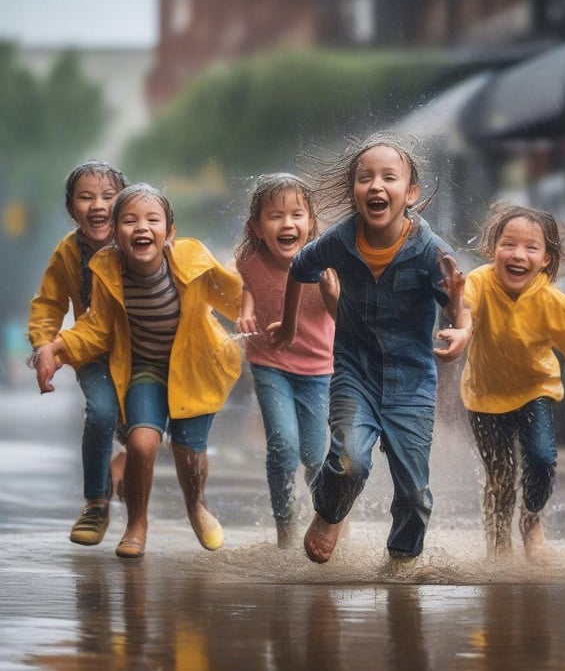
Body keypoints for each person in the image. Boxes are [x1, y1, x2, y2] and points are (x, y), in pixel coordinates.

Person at [269, 132, 471, 566]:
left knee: (415, 493)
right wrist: (288, 326)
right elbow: (300, 268)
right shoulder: (340, 241)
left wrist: (462, 327)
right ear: (354, 191)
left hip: (411, 385)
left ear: (410, 193)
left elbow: (459, 306)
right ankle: (329, 511)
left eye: (388, 178)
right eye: (365, 178)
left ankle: (401, 561)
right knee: (348, 462)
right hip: (354, 374)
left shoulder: (429, 251)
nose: (376, 186)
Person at [34, 183, 242, 558]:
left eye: (152, 220)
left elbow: (235, 297)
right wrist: (57, 348)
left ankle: (196, 505)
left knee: (189, 452)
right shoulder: (108, 270)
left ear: (170, 232)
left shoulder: (192, 259)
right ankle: (136, 523)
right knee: (140, 442)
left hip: (194, 368)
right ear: (115, 234)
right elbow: (96, 327)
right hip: (145, 369)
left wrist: (262, 306)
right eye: (129, 221)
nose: (141, 227)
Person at [451, 201, 565, 563]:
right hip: (484, 395)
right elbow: (463, 307)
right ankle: (498, 546)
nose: (518, 255)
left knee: (542, 460)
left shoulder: (552, 303)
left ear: (546, 259)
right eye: (508, 244)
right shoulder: (479, 283)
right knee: (499, 475)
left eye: (531, 247)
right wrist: (458, 316)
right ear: (492, 249)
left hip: (534, 392)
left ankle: (531, 520)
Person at [27, 160, 129, 546]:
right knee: (102, 413)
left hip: (143, 353)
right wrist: (43, 346)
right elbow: (49, 303)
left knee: (142, 431)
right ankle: (95, 502)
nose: (98, 205)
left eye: (108, 196)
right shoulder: (68, 252)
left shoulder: (139, 240)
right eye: (86, 197)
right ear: (72, 208)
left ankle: (124, 473)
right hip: (90, 353)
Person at [234, 173, 338, 548]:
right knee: (283, 447)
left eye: (297, 214)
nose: (288, 223)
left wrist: (329, 291)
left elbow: (340, 315)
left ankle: (328, 516)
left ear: (311, 223)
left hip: (318, 370)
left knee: (314, 456)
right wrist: (245, 311)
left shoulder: (327, 262)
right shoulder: (250, 259)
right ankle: (284, 530)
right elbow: (252, 288)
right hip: (269, 363)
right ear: (257, 228)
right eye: (276, 216)